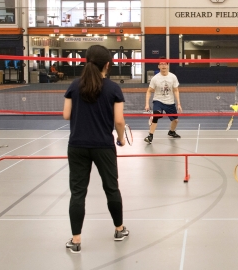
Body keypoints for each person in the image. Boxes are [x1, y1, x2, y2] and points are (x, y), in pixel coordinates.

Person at [63, 45, 129, 254]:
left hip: (77, 146)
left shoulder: (74, 86)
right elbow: (119, 120)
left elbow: (66, 115)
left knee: (78, 193)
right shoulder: (113, 89)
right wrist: (120, 138)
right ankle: (119, 229)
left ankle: (76, 240)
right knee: (111, 188)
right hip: (103, 146)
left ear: (86, 62)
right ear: (107, 64)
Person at [144, 56, 182, 144]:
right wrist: (147, 104)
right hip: (158, 101)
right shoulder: (155, 78)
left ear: (168, 65)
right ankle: (150, 136)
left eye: (165, 64)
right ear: (158, 66)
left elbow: (176, 90)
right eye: (161, 64)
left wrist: (179, 103)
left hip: (170, 102)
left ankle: (171, 132)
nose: (163, 66)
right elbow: (149, 91)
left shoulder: (173, 77)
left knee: (175, 120)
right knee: (156, 115)